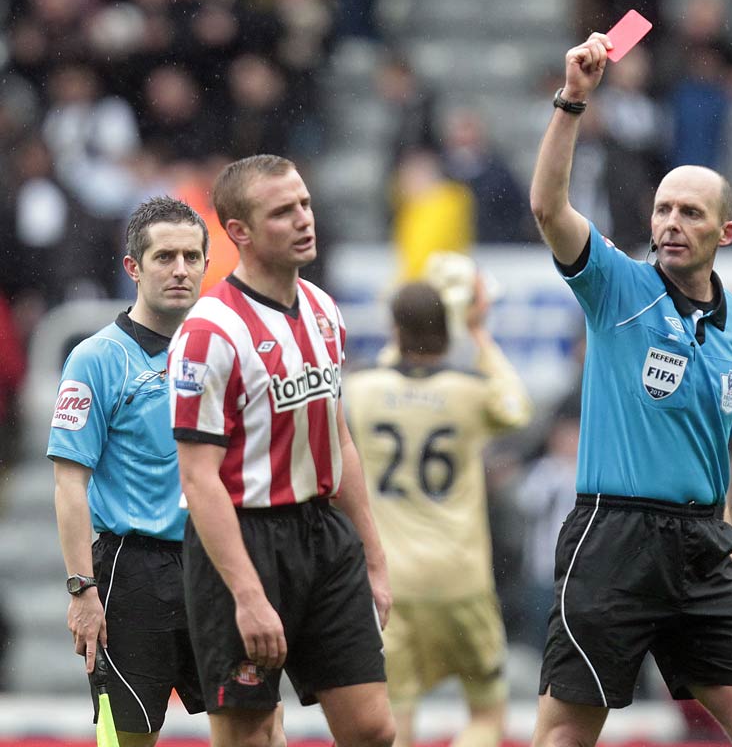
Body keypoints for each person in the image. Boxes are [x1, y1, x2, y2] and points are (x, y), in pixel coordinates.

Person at [526, 33, 732, 747]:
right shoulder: (619, 287)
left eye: (691, 213)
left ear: (726, 231)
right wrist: (573, 102)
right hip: (613, 537)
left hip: (703, 545)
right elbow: (549, 209)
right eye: (664, 210)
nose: (671, 224)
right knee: (565, 735)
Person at [167, 154, 395, 747]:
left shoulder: (324, 310)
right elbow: (199, 480)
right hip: (243, 539)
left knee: (372, 728)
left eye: (304, 204)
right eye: (282, 212)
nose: (303, 220)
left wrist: (373, 556)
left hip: (323, 535)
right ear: (238, 231)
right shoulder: (207, 332)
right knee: (249, 734)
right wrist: (247, 594)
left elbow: (337, 434)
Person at [48, 196, 210, 746]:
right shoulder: (95, 358)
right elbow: (70, 482)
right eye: (165, 256)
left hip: (217, 561)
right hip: (132, 573)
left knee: (258, 725)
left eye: (192, 256)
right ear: (133, 267)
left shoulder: (222, 352)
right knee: (130, 739)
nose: (181, 269)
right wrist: (81, 590)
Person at [345, 279, 532, 747]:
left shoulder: (362, 390)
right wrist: (479, 334)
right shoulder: (468, 393)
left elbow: (393, 365)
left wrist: (403, 337)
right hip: (461, 579)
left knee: (397, 721)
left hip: (394, 583)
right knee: (487, 713)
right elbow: (517, 408)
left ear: (394, 329)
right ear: (448, 330)